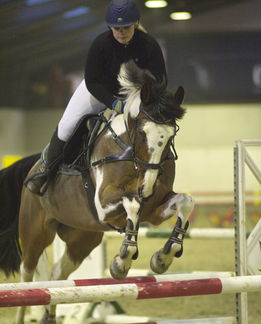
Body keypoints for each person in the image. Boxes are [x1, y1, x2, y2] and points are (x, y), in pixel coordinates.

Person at [25, 0, 167, 196]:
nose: (121, 32)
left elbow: (160, 79)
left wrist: (146, 101)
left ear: (135, 24)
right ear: (110, 27)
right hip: (99, 91)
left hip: (134, 95)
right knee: (67, 125)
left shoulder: (149, 44)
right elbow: (92, 81)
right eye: (116, 28)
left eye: (125, 27)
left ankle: (155, 168)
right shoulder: (100, 44)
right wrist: (114, 103)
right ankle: (46, 170)